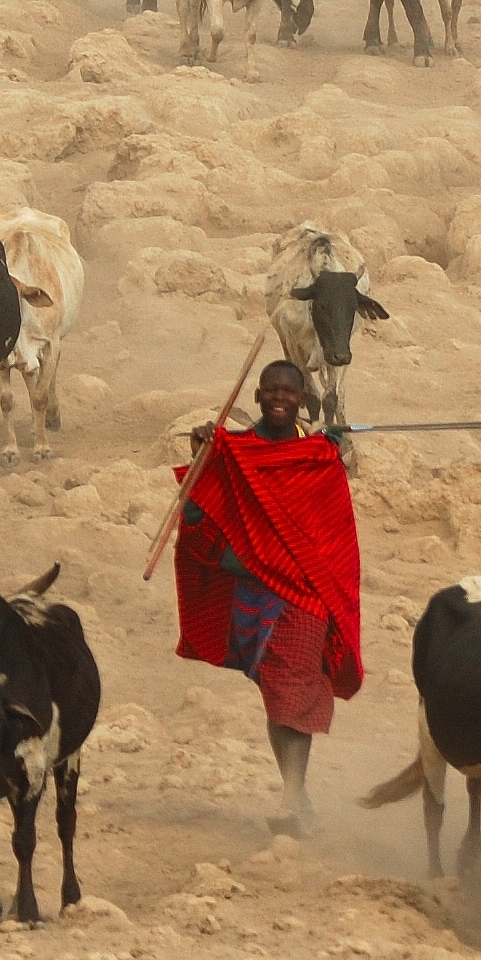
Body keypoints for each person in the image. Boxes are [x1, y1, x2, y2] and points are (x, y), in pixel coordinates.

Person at [172, 359, 363, 837]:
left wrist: (334, 458)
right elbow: (200, 521)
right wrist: (203, 461)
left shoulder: (316, 454)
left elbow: (332, 530)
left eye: (289, 392)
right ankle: (296, 793)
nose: (280, 398)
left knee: (292, 686)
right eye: (271, 391)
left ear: (303, 399)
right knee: (278, 691)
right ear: (256, 398)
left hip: (305, 592)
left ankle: (292, 798)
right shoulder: (236, 452)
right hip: (253, 592)